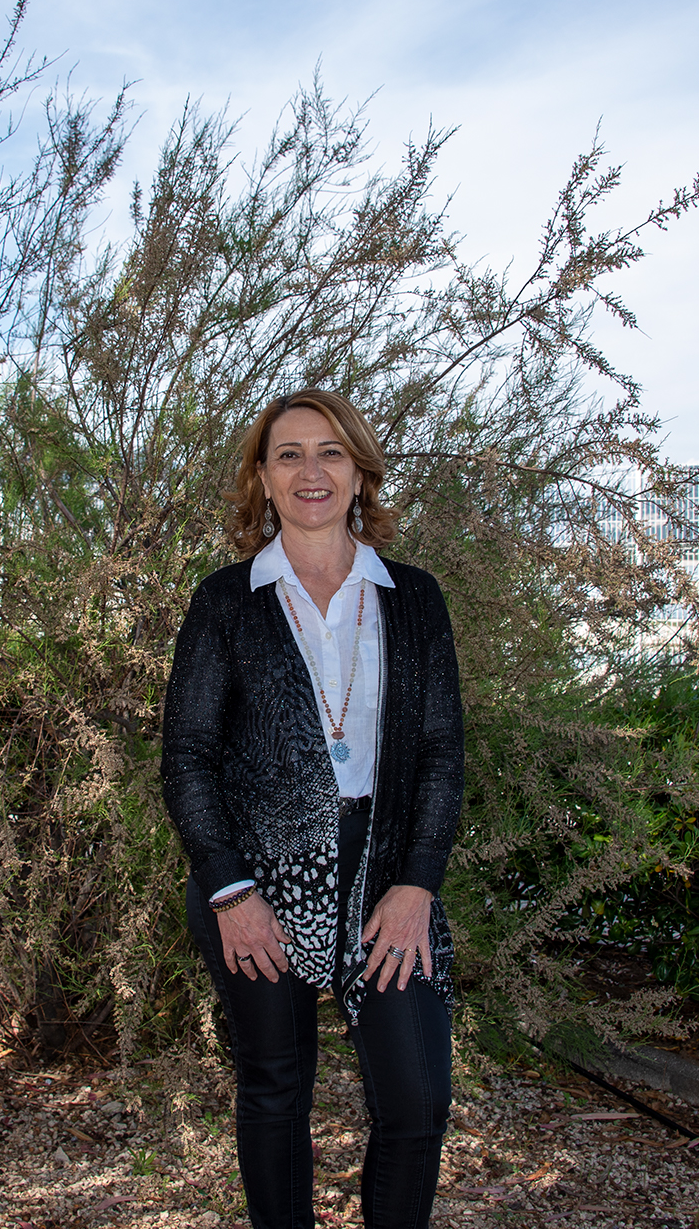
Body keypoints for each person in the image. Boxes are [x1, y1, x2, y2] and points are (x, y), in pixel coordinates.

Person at [161, 389, 464, 1229]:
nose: (310, 471)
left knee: (415, 1101)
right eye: (287, 454)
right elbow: (186, 758)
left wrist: (416, 886)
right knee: (275, 1088)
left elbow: (442, 753)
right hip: (256, 874)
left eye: (329, 452)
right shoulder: (224, 601)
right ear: (260, 479)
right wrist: (229, 890)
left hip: (386, 869)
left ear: (359, 472)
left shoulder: (412, 596)